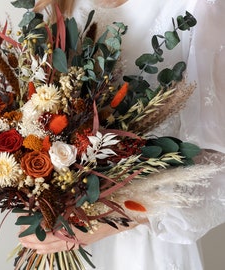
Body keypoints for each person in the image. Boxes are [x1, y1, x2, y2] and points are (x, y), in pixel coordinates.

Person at [19, 0, 225, 269]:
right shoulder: (62, 4)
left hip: (143, 245)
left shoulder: (197, 6)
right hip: (59, 237)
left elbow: (217, 164)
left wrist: (112, 218)